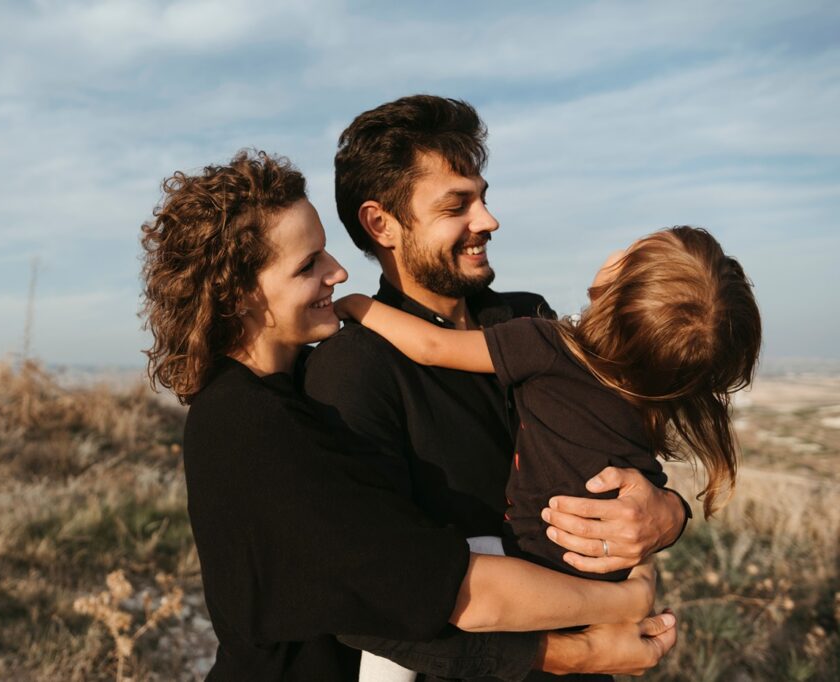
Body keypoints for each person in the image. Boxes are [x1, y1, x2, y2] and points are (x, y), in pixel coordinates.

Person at [140, 150, 676, 681]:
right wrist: (611, 617)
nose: (338, 271)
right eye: (308, 265)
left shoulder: (291, 391)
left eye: (324, 252)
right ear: (236, 297)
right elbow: (435, 591)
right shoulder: (246, 422)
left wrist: (667, 512)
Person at [304, 94, 692, 679]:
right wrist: (570, 654)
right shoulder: (351, 369)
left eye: (483, 198)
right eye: (457, 205)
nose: (488, 220)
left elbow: (613, 443)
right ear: (381, 223)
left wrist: (667, 515)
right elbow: (367, 600)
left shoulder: (530, 320)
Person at [334, 226, 760, 680]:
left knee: (420, 590)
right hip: (599, 590)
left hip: (528, 569)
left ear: (616, 294)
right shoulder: (648, 407)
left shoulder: (545, 344)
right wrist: (668, 521)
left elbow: (432, 346)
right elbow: (641, 505)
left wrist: (355, 305)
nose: (617, 247)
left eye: (632, 251)